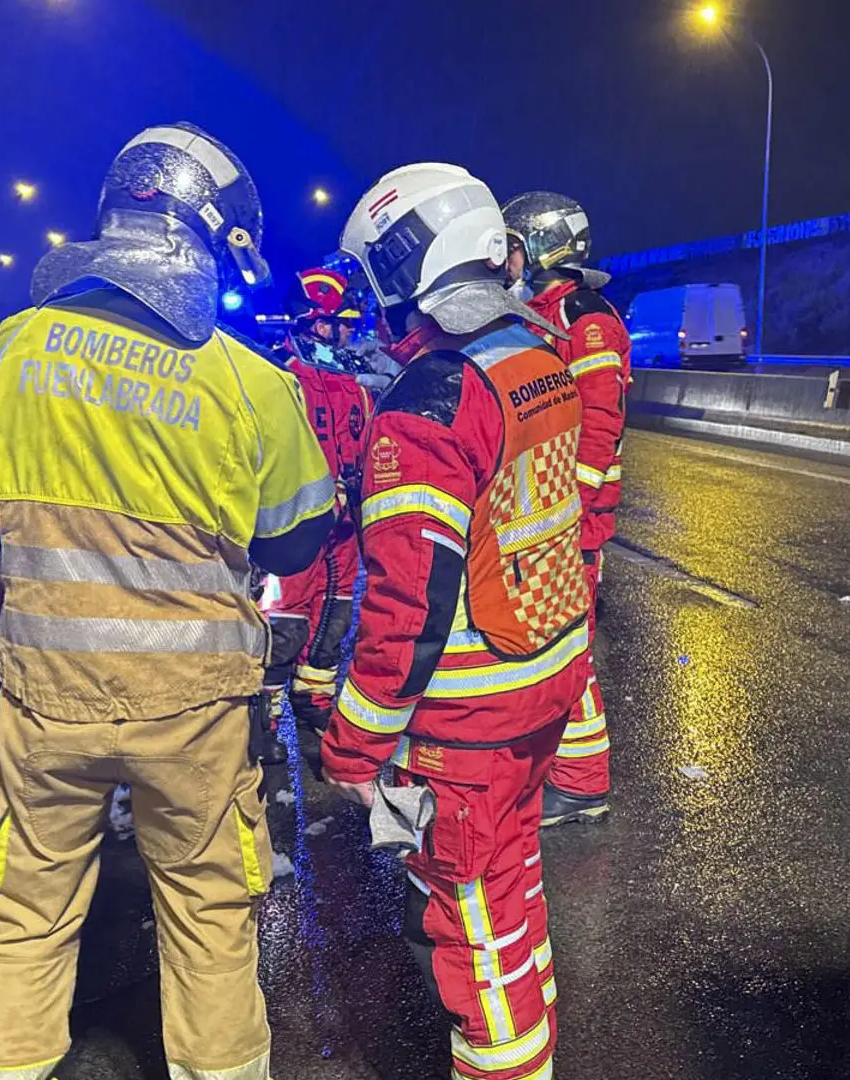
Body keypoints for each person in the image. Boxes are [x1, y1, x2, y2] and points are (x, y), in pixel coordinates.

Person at [0, 122, 334, 1080]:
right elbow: (300, 536)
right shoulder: (249, 384)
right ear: (205, 232)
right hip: (194, 706)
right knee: (211, 919)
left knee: (26, 919)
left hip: (45, 695)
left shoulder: (15, 349)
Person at [321, 162, 586, 1080]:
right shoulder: (536, 354)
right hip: (545, 679)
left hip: (470, 717)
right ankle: (536, 1031)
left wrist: (353, 747)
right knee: (514, 880)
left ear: (403, 270)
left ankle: (507, 1059)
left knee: (468, 908)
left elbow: (407, 608)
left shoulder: (430, 400)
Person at [503, 191, 631, 828]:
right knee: (549, 640)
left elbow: (600, 419)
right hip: (550, 514)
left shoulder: (586, 319)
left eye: (516, 246)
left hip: (572, 519)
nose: (509, 259)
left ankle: (582, 781)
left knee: (566, 646)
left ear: (544, 250)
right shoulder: (545, 314)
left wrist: (570, 506)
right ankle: (564, 770)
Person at [260, 267, 373, 773]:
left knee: (336, 615)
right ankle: (262, 714)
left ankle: (313, 697)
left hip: (345, 530)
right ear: (314, 324)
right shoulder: (280, 382)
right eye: (341, 323)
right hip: (298, 527)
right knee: (284, 619)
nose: (350, 333)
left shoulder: (359, 390)